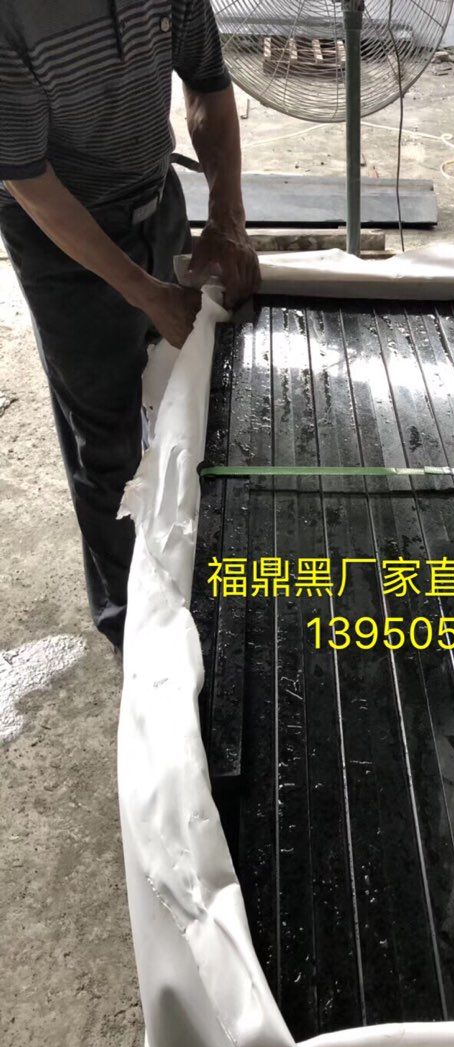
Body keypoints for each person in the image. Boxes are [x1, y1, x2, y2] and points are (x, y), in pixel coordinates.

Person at [0, 1, 259, 650]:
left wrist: (226, 216)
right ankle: (136, 634)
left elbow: (207, 82)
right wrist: (145, 292)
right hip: (63, 239)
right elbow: (29, 179)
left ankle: (183, 572)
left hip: (155, 194)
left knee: (183, 386)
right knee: (105, 435)